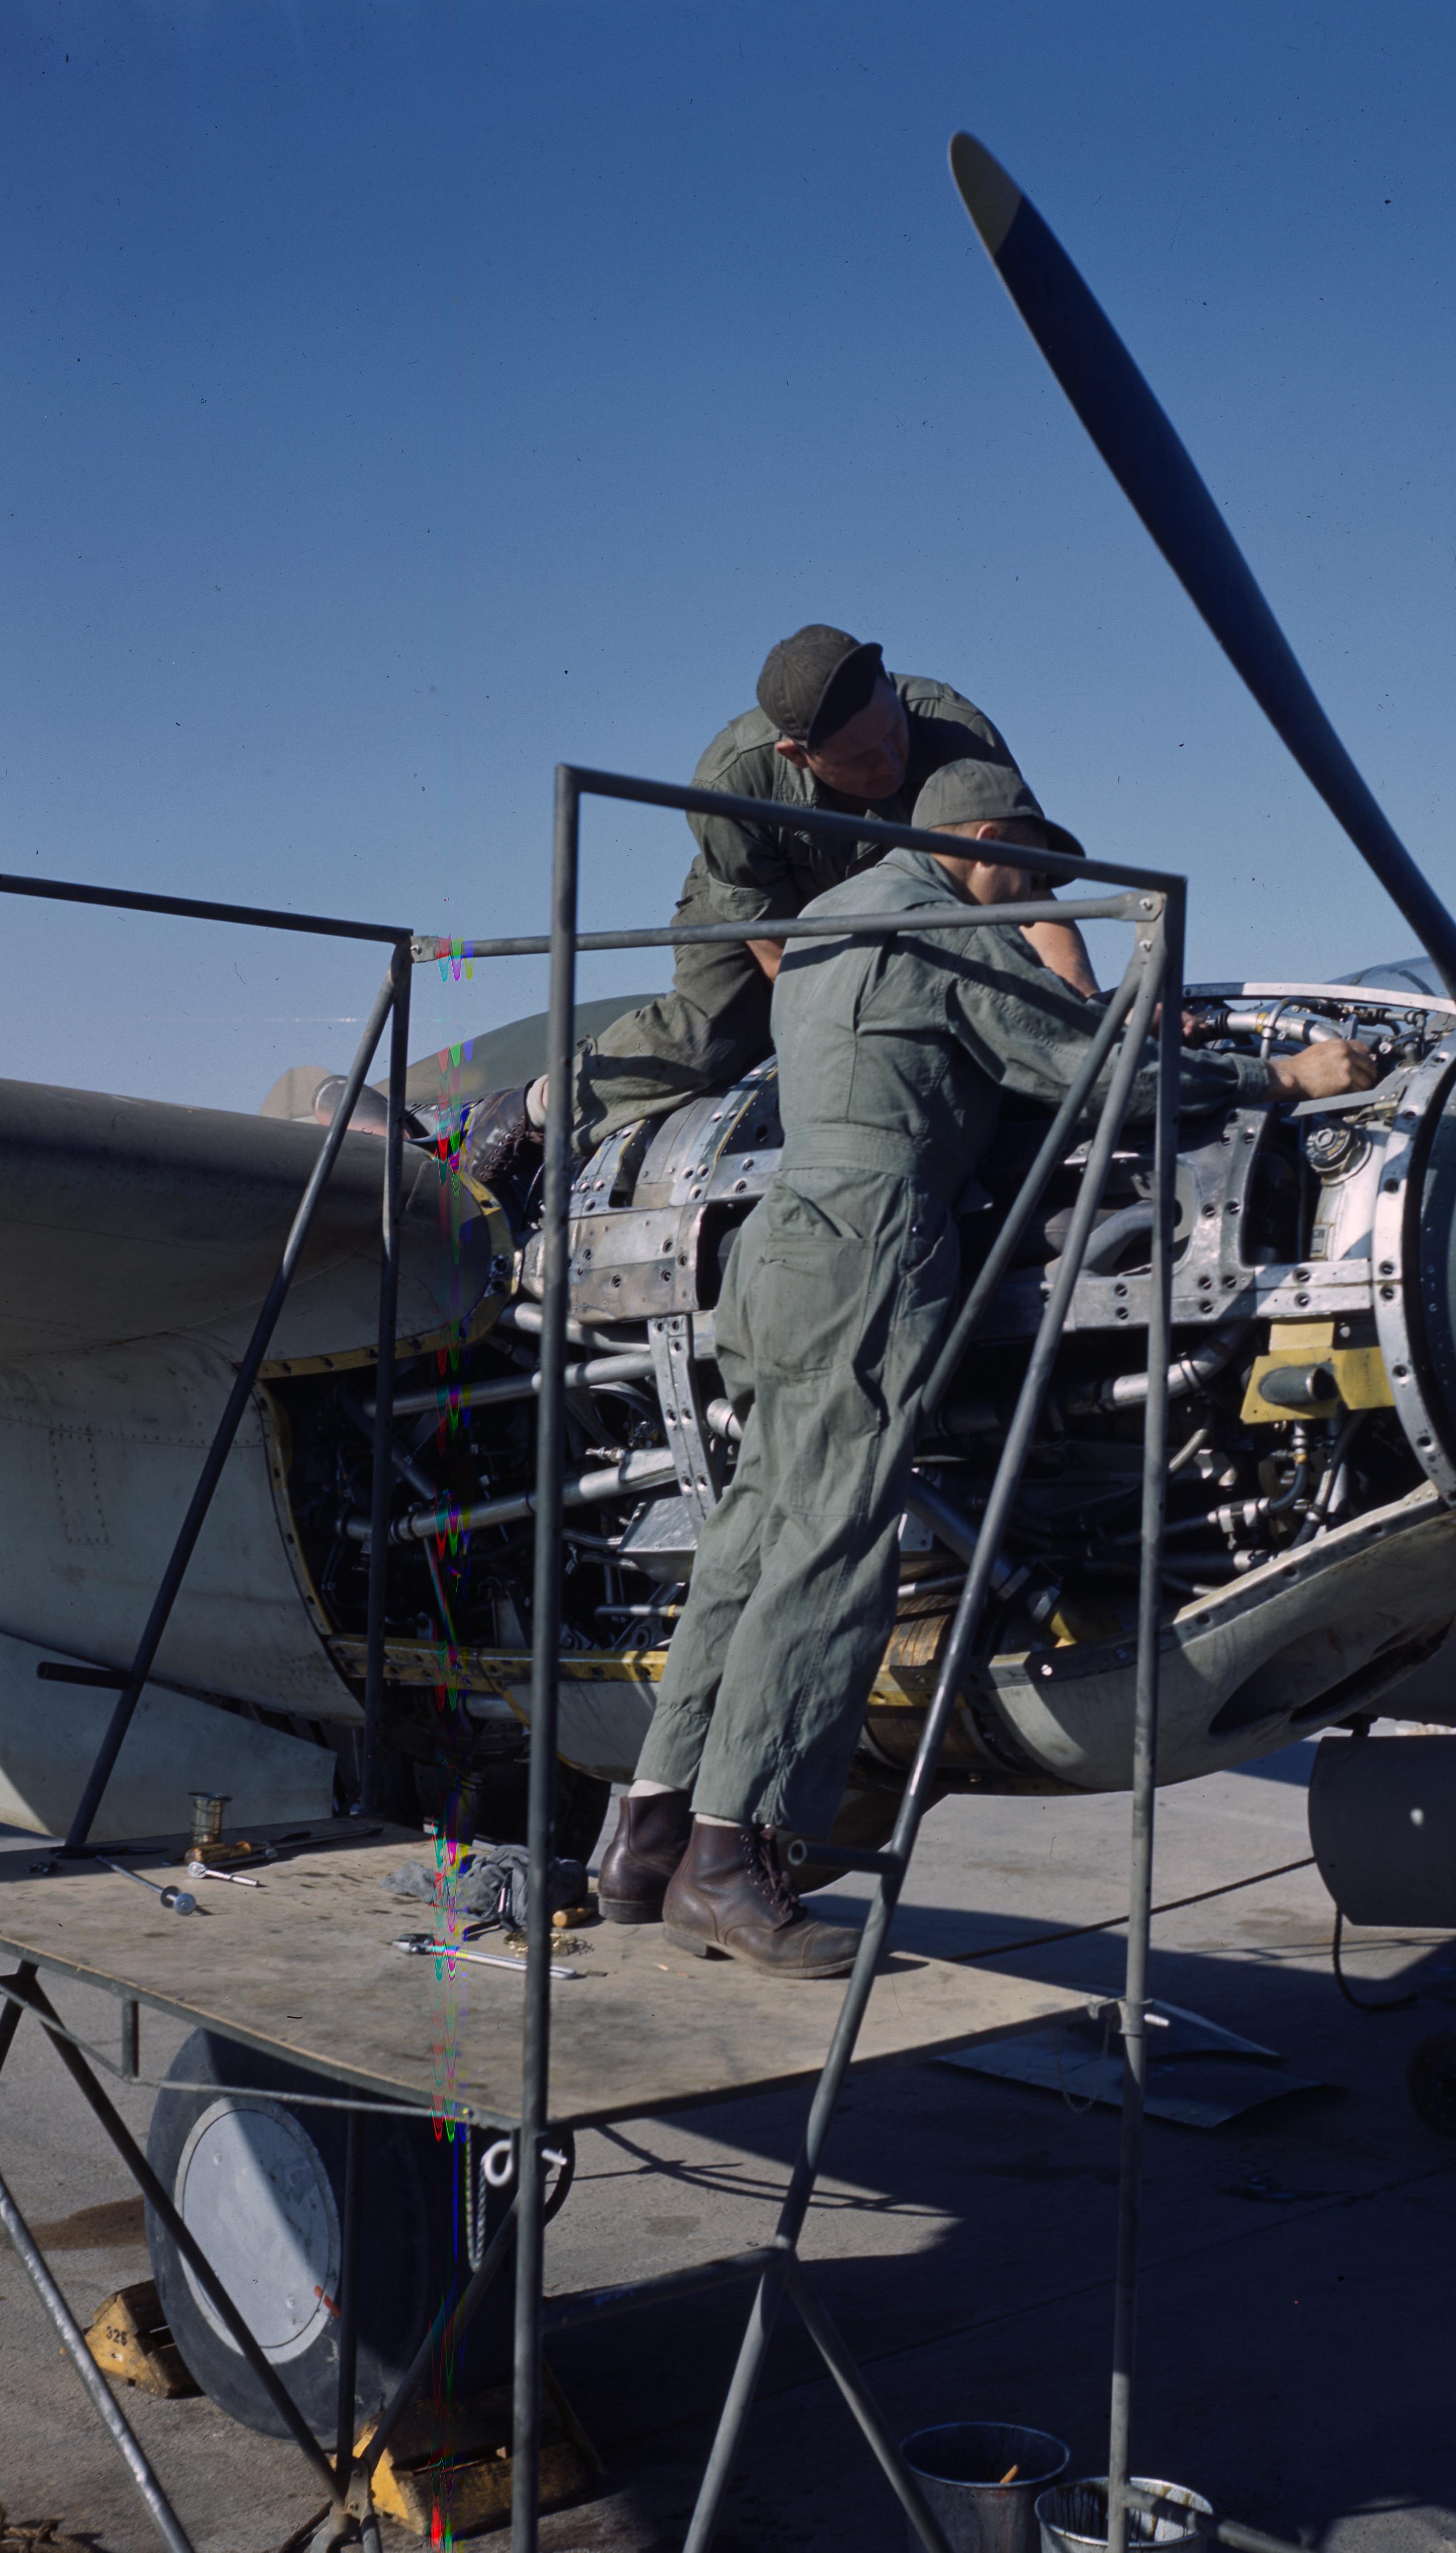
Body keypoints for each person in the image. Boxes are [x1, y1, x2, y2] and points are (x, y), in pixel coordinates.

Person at [595, 757, 1379, 1973]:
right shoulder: (949, 923)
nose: (1028, 894)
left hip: (775, 1252)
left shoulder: (823, 922)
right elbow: (1089, 1072)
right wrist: (1280, 1076)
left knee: (748, 1542)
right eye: (1026, 864)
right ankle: (733, 1860)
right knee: (833, 1547)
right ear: (981, 834)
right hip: (873, 1246)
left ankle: (644, 1841)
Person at [459, 626, 1095, 1189]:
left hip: (909, 891)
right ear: (797, 754)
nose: (892, 763)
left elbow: (1025, 888)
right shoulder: (730, 783)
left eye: (895, 736)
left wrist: (1086, 1015)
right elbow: (779, 959)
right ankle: (534, 1106)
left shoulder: (957, 732)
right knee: (708, 1037)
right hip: (763, 908)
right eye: (862, 760)